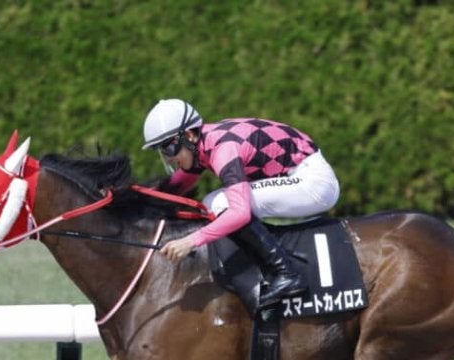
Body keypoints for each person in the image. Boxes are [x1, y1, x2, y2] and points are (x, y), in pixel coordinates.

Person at [141, 98, 340, 306]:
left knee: (220, 203)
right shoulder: (202, 143)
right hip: (301, 174)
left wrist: (189, 241)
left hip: (315, 183)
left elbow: (240, 213)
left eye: (168, 148)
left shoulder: (223, 149)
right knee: (213, 202)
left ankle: (287, 274)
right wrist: (135, 196)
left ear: (189, 135)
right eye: (162, 151)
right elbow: (177, 185)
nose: (169, 158)